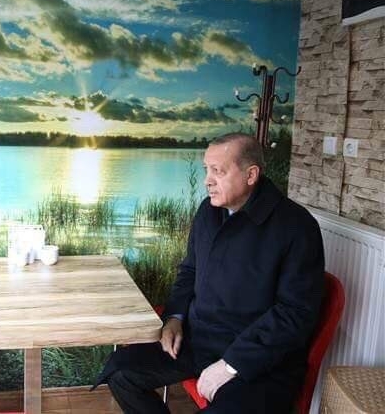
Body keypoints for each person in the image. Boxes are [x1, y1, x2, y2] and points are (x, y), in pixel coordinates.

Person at [95, 133, 325, 414]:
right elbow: (189, 270)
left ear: (251, 175)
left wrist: (231, 365)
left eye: (218, 171)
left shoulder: (297, 226)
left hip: (260, 360)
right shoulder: (208, 211)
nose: (207, 180)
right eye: (206, 169)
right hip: (200, 340)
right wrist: (174, 318)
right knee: (120, 372)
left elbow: (295, 313)